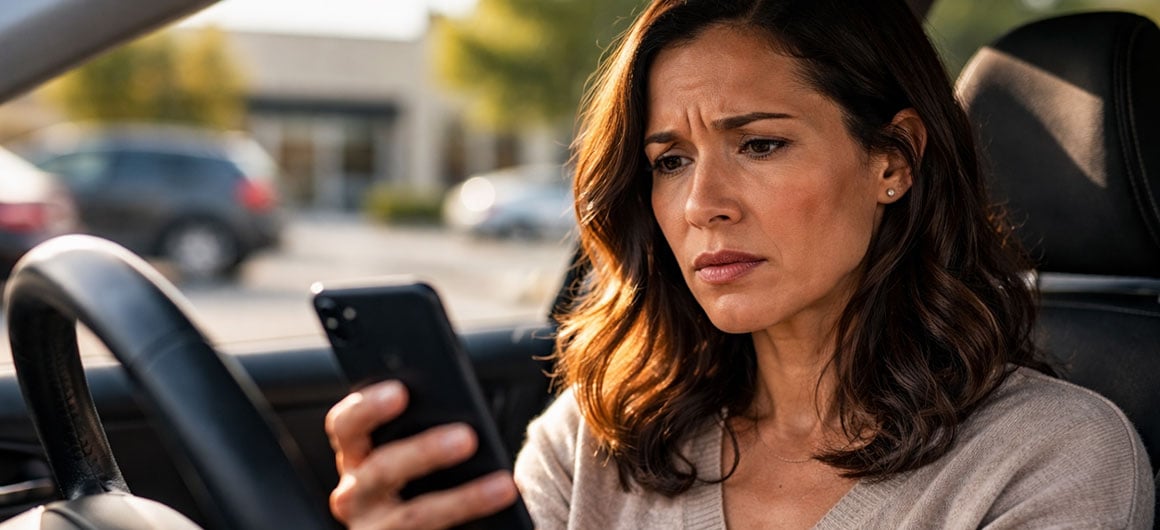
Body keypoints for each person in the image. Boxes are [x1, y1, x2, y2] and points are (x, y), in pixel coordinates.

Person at [325, 0, 1155, 528]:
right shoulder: (593, 440)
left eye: (760, 144)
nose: (701, 205)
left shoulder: (1054, 458)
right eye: (669, 160)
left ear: (893, 161)